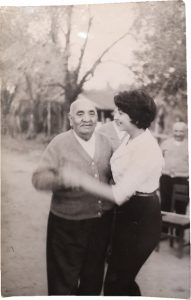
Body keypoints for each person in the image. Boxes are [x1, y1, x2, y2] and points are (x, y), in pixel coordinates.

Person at [62, 89, 164, 296]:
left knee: (117, 283)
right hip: (127, 215)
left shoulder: (147, 149)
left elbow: (119, 194)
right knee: (120, 280)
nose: (114, 116)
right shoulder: (131, 137)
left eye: (120, 113)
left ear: (135, 116)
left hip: (141, 219)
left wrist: (80, 179)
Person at [32, 98, 114, 295]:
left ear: (97, 117)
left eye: (91, 113)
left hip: (101, 224)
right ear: (71, 119)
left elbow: (118, 176)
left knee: (93, 281)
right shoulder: (59, 143)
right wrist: (62, 180)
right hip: (67, 226)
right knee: (63, 284)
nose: (86, 119)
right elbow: (38, 178)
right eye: (80, 114)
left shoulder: (106, 142)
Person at [159, 121, 189, 215]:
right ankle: (164, 228)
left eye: (181, 131)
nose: (178, 134)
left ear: (186, 132)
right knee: (165, 205)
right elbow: (158, 160)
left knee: (181, 206)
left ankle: (179, 229)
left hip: (182, 179)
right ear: (172, 131)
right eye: (176, 131)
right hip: (166, 178)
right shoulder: (165, 143)